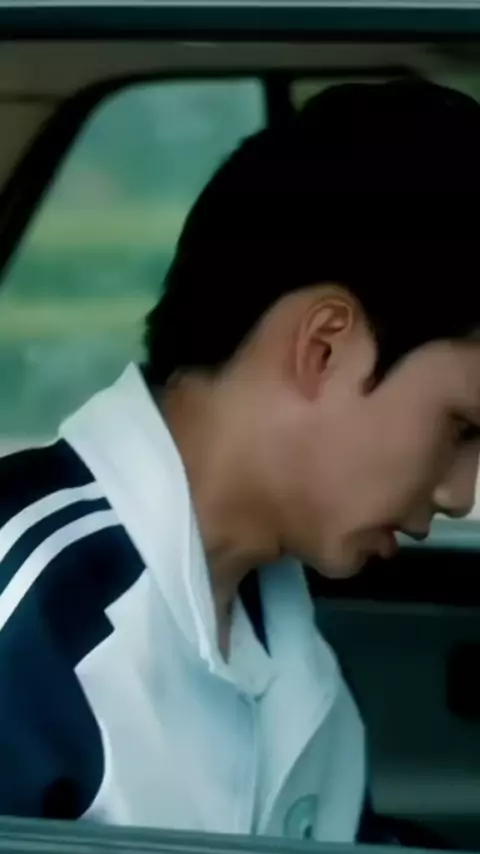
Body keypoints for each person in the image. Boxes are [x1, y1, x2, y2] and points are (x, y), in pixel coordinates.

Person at [2, 78, 480, 842]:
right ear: (324, 346)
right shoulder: (28, 615)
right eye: (460, 428)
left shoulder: (290, 649)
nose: (460, 493)